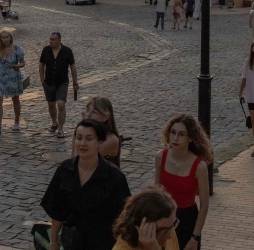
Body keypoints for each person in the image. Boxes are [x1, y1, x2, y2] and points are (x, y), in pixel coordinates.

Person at [42, 119, 132, 250]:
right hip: (71, 242)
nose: (82, 143)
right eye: (79, 138)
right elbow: (57, 210)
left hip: (102, 243)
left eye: (89, 139)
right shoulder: (65, 170)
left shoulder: (114, 176)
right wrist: (53, 241)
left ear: (99, 142)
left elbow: (124, 217)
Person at [154, 114, 211, 250]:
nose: (175, 138)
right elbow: (155, 192)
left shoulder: (199, 166)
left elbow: (204, 205)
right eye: (173, 132)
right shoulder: (160, 157)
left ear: (190, 138)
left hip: (187, 220)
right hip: (164, 218)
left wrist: (195, 237)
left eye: (181, 134)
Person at [111, 186, 181, 250]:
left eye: (173, 224)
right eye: (164, 231)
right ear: (142, 226)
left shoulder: (168, 228)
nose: (169, 236)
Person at [39, 32, 79, 137]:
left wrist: (75, 82)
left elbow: (73, 67)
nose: (51, 41)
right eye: (50, 39)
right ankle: (54, 122)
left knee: (61, 104)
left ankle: (60, 128)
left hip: (62, 82)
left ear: (59, 40)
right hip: (49, 82)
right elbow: (41, 64)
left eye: (53, 39)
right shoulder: (46, 50)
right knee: (51, 104)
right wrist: (42, 80)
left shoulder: (67, 51)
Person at [0, 29, 25, 135]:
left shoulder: (17, 49)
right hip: (1, 77)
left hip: (13, 77)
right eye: (3, 37)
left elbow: (23, 63)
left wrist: (15, 65)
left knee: (15, 99)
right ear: (0, 39)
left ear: (10, 38)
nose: (5, 39)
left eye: (7, 37)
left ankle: (16, 122)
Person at [74, 96, 122, 166]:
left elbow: (80, 159)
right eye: (87, 110)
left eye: (94, 112)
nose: (88, 115)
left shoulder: (111, 139)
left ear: (105, 117)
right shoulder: (84, 132)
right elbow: (72, 162)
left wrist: (81, 128)